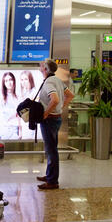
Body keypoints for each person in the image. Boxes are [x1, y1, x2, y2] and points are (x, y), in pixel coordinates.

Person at [37, 59, 74, 190]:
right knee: (51, 148)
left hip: (50, 120)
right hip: (56, 118)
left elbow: (55, 99)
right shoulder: (57, 80)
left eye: (42, 65)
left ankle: (52, 181)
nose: (40, 67)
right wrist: (60, 108)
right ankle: (49, 175)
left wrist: (46, 113)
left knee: (52, 150)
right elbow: (70, 95)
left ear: (46, 69)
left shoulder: (49, 82)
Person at [0, 72, 21, 140]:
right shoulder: (0, 98)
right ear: (4, 83)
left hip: (15, 130)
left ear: (14, 81)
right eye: (6, 81)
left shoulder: (18, 98)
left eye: (10, 80)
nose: (9, 82)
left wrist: (20, 133)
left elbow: (19, 117)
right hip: (3, 130)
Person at [19, 70, 37, 140]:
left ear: (30, 80)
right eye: (22, 79)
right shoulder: (23, 93)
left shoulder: (34, 93)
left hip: (30, 123)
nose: (23, 82)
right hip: (24, 124)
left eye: (26, 79)